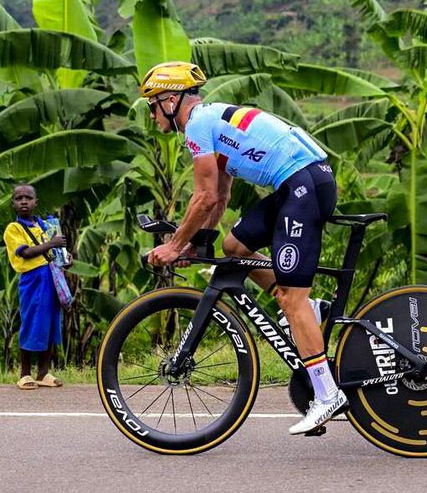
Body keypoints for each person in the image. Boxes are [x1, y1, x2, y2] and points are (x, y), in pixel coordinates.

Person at [139, 61, 343, 435]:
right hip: (298, 183)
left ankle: (327, 393)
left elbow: (201, 197)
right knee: (234, 246)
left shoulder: (197, 125)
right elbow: (219, 196)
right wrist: (199, 243)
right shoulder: (212, 122)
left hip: (304, 185)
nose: (152, 116)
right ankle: (313, 311)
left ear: (170, 100)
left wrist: (173, 246)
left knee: (289, 298)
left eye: (152, 106)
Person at [3, 184, 66, 390]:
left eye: (28, 198)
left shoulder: (45, 225)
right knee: (31, 323)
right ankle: (24, 374)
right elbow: (26, 253)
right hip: (32, 280)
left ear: (35, 202)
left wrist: (65, 257)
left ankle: (43, 372)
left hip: (51, 278)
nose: (23, 201)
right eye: (19, 198)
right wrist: (51, 244)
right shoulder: (14, 229)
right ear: (13, 203)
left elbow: (54, 252)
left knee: (49, 326)